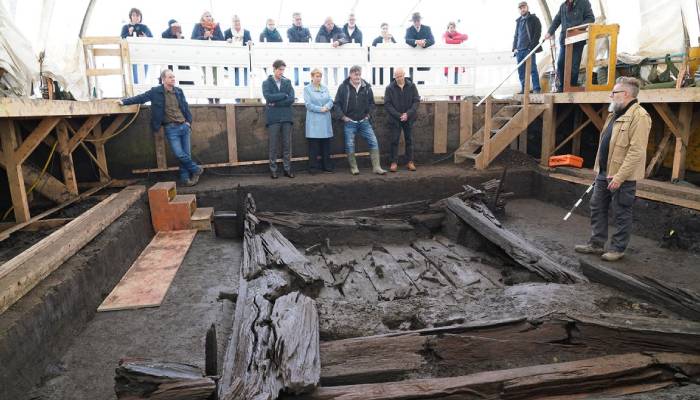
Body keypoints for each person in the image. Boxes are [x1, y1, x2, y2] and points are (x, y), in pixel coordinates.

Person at [574, 77, 650, 261]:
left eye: (614, 93)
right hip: (604, 173)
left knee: (622, 211)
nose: (610, 96)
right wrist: (601, 169)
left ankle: (617, 248)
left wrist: (620, 177)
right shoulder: (614, 114)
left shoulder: (640, 116)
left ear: (625, 94)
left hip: (621, 176)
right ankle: (596, 244)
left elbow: (636, 151)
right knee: (597, 206)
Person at [119, 69, 203, 187]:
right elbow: (141, 98)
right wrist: (124, 101)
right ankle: (197, 169)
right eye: (170, 77)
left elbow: (185, 107)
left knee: (186, 155)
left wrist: (189, 122)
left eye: (173, 77)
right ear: (163, 79)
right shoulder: (156, 92)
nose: (173, 79)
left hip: (184, 126)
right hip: (171, 128)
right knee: (179, 154)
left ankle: (185, 179)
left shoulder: (178, 91)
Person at [334, 65, 385, 176]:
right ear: (350, 75)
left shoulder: (366, 87)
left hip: (364, 121)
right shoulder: (343, 87)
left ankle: (376, 167)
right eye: (355, 74)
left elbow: (372, 104)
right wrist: (343, 117)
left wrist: (368, 115)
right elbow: (336, 104)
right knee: (349, 144)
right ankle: (354, 168)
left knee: (373, 142)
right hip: (349, 122)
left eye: (359, 74)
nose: (357, 76)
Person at [544, 0, 595, 91]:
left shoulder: (584, 2)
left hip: (578, 40)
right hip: (565, 40)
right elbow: (556, 20)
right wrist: (549, 32)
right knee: (560, 63)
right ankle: (561, 87)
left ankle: (572, 87)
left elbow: (590, 18)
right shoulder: (563, 6)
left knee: (574, 66)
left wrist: (577, 28)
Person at [262, 60, 295, 179]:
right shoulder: (266, 83)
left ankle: (287, 169)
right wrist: (283, 95)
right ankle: (273, 170)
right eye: (280, 69)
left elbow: (291, 99)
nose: (282, 72)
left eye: (283, 70)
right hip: (273, 118)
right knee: (273, 145)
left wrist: (275, 103)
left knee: (287, 145)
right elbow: (268, 97)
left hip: (286, 117)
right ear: (274, 69)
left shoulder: (287, 82)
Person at [384, 68, 420, 172]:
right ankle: (394, 162)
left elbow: (416, 101)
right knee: (394, 140)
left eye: (401, 76)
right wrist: (399, 115)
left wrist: (408, 114)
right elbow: (387, 104)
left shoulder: (412, 86)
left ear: (404, 75)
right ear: (394, 77)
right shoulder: (389, 88)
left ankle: (410, 162)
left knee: (409, 140)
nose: (399, 78)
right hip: (395, 119)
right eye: (397, 76)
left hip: (409, 118)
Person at [304, 69, 335, 174]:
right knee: (314, 147)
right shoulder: (307, 89)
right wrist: (320, 109)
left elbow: (331, 100)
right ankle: (313, 168)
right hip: (314, 121)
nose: (318, 78)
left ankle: (327, 166)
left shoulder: (325, 88)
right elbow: (308, 104)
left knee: (326, 145)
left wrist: (327, 106)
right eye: (316, 76)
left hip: (325, 120)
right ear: (312, 77)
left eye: (320, 76)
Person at [512, 1, 542, 94]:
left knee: (532, 69)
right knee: (521, 71)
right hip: (519, 50)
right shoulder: (518, 21)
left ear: (527, 7)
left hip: (529, 49)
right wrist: (514, 48)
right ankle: (524, 89)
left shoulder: (534, 19)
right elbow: (516, 35)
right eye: (520, 8)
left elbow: (538, 33)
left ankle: (536, 89)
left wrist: (531, 47)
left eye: (524, 7)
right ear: (519, 10)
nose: (522, 9)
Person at [121, 8, 152, 84]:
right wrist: (129, 33)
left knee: (143, 75)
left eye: (138, 15)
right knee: (134, 75)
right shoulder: (126, 27)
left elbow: (151, 38)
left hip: (144, 54)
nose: (136, 17)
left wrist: (145, 37)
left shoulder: (144, 27)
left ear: (140, 17)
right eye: (134, 15)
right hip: (131, 54)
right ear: (130, 17)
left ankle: (141, 89)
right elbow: (122, 39)